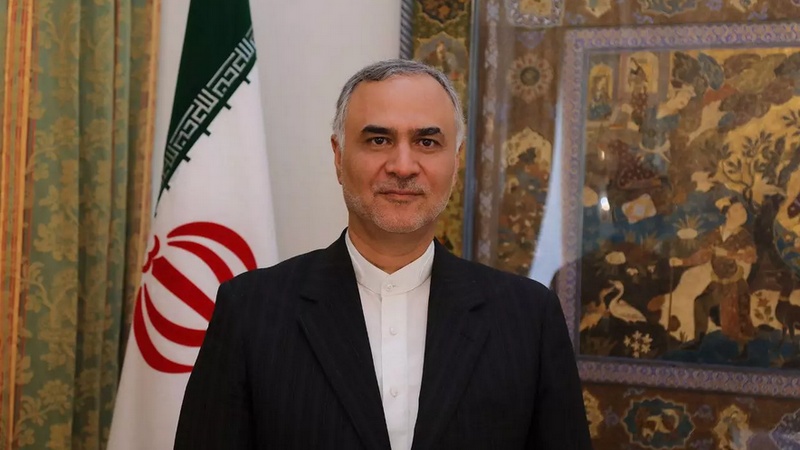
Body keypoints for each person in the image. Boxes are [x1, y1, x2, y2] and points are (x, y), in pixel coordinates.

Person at [174, 59, 591, 450]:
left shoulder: (529, 317)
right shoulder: (250, 310)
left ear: (456, 161)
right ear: (339, 157)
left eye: (426, 141)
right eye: (378, 140)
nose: (403, 166)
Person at [670, 198, 756, 357]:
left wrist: (729, 254)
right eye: (737, 209)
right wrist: (682, 261)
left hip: (735, 283)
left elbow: (751, 256)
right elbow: (703, 255)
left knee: (739, 317)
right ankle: (698, 340)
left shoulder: (744, 235)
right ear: (727, 214)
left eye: (743, 209)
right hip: (717, 282)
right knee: (700, 303)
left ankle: (743, 349)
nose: (742, 212)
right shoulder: (715, 234)